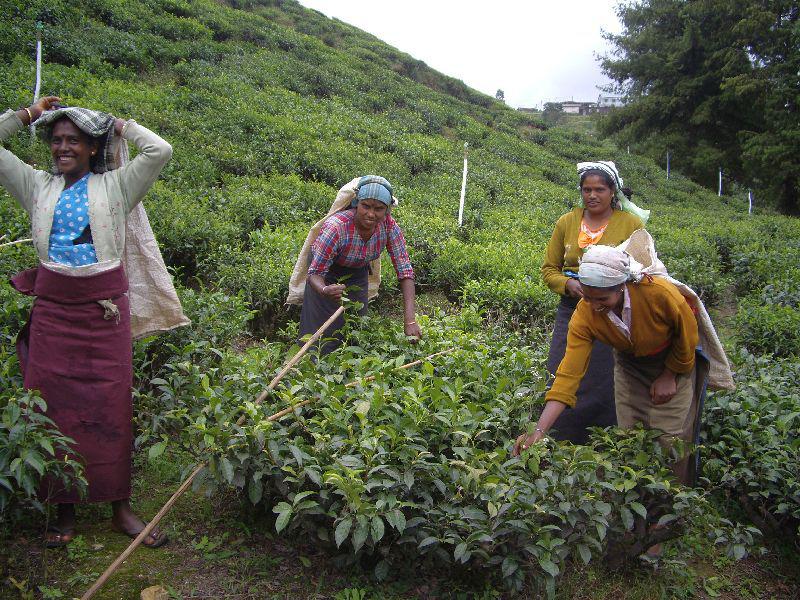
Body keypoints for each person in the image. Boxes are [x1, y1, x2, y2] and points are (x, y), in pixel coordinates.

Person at [0, 96, 174, 548]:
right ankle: (64, 509)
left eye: (74, 140)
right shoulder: (37, 185)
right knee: (53, 407)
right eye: (57, 140)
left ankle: (120, 507)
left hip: (103, 313)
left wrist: (120, 125)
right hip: (54, 313)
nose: (63, 148)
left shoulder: (117, 186)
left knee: (110, 405)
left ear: (92, 147)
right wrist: (28, 115)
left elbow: (160, 150)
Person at [516, 245, 708, 488]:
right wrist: (539, 431)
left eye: (602, 299)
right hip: (630, 365)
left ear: (621, 287)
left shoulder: (659, 294)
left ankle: (672, 499)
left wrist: (670, 374)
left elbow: (687, 336)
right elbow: (568, 375)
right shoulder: (584, 315)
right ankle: (637, 496)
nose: (594, 305)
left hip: (672, 361)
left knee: (670, 439)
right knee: (631, 436)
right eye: (588, 297)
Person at [540, 161, 648, 444]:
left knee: (605, 374)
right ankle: (560, 435)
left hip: (613, 309)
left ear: (613, 192)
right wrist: (568, 284)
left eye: (599, 189)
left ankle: (602, 439)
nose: (592, 195)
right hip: (571, 308)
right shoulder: (567, 222)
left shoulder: (631, 224)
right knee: (562, 367)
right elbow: (549, 269)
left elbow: (643, 269)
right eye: (587, 189)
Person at [297, 175, 421, 354]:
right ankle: (311, 363)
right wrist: (324, 290)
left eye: (379, 209)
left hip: (357, 271)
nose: (371, 214)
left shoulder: (389, 227)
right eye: (366, 206)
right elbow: (315, 273)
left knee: (356, 323)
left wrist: (410, 320)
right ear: (356, 203)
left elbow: (405, 271)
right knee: (319, 328)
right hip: (326, 272)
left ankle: (348, 365)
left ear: (387, 210)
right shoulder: (336, 227)